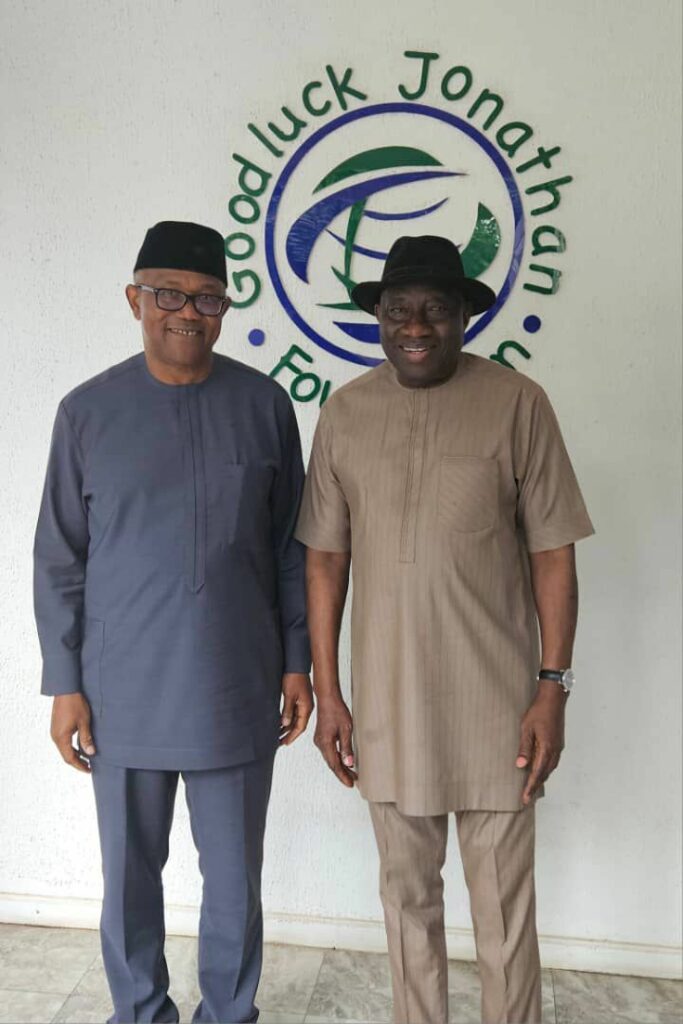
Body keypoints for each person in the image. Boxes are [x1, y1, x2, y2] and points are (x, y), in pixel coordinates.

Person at [295, 235, 594, 1024]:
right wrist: (331, 695)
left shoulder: (517, 402)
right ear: (378, 319)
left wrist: (551, 688)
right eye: (398, 310)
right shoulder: (346, 411)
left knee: (503, 919)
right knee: (406, 906)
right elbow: (324, 562)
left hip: (500, 710)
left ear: (465, 315)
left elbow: (553, 554)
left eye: (434, 308)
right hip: (388, 709)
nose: (415, 325)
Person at [33, 220, 313, 1024]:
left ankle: (230, 1013)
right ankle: (140, 1012)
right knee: (127, 875)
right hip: (121, 692)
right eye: (167, 294)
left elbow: (291, 549)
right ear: (134, 301)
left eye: (206, 298)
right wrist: (65, 682)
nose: (186, 312)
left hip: (236, 685)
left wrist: (295, 663)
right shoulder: (86, 412)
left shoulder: (263, 404)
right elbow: (59, 558)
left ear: (224, 308)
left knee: (232, 880)